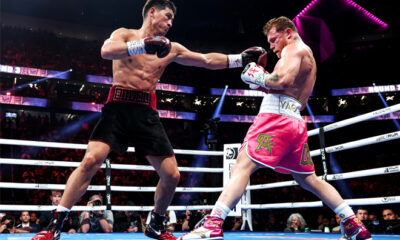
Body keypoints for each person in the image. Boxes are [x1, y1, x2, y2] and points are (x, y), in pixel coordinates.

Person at [30, 1, 266, 240]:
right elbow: (106, 51)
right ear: (152, 12)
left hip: (146, 112)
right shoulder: (124, 34)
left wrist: (240, 58)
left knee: (172, 175)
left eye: (173, 19)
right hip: (118, 107)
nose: (171, 22)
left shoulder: (171, 48)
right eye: (168, 16)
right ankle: (55, 225)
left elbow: (205, 59)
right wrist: (142, 45)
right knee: (91, 160)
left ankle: (155, 224)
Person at [178, 16, 372, 240]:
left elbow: (282, 82)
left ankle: (214, 223)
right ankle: (352, 223)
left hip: (275, 118)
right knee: (308, 179)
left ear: (288, 33)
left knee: (241, 165)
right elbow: (287, 90)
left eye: (273, 39)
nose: (270, 46)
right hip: (294, 121)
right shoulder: (307, 56)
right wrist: (261, 78)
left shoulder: (294, 49)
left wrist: (256, 73)